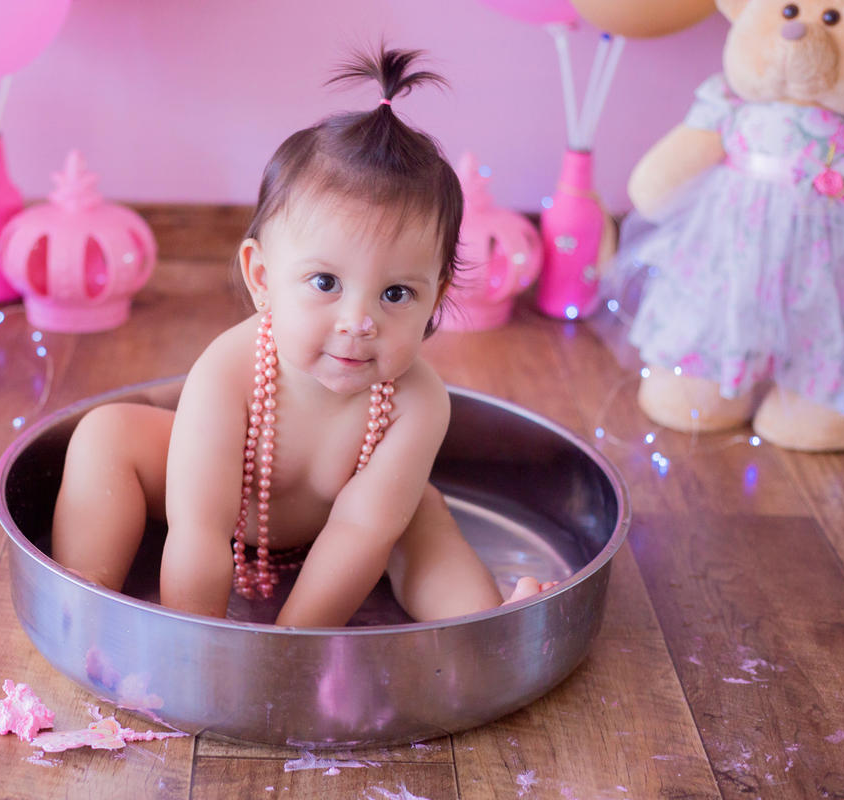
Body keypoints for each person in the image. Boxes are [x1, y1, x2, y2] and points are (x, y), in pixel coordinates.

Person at [53, 46, 556, 627]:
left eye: (396, 294)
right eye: (325, 282)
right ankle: (83, 592)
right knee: (106, 435)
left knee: (422, 519)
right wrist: (194, 640)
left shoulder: (416, 403)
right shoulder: (231, 369)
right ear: (263, 278)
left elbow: (359, 531)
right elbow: (200, 527)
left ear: (436, 299)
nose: (358, 321)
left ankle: (486, 622)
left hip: (342, 529)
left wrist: (289, 644)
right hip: (218, 505)